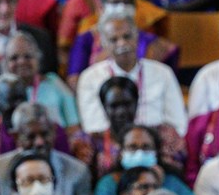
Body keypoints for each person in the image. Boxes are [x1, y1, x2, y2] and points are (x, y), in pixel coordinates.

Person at [77, 10, 188, 138]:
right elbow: (94, 127)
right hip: (111, 147)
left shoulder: (162, 73)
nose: (122, 43)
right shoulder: (90, 78)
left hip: (155, 144)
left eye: (127, 36)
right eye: (114, 39)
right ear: (104, 44)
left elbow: (178, 123)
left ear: (137, 37)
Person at [0, 103, 92, 195]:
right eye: (31, 136)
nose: (39, 142)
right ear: (16, 136)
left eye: (44, 134)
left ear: (54, 132)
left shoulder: (78, 171)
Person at [63, 0, 179, 83]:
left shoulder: (150, 40)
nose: (121, 7)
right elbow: (75, 79)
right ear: (103, 6)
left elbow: (165, 76)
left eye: (127, 2)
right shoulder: (86, 38)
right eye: (115, 2)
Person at [77, 74, 186, 177]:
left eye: (127, 104)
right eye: (114, 106)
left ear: (137, 103)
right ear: (104, 107)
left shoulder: (163, 134)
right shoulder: (92, 141)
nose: (121, 112)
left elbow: (177, 171)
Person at [92, 124, 194, 195]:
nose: (139, 153)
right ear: (121, 152)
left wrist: (158, 186)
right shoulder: (109, 183)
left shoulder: (171, 182)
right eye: (132, 147)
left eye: (146, 147)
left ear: (156, 152)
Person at [0, 32, 77, 130]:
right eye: (14, 58)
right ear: (5, 63)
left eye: (28, 56)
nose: (21, 62)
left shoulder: (54, 83)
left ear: (38, 59)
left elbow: (74, 126)